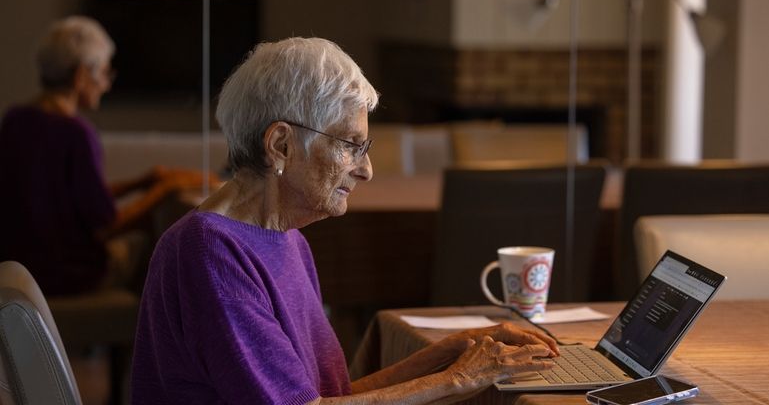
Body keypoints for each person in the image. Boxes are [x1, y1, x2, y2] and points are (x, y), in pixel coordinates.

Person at [131, 37, 559, 404]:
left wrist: (452, 352)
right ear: (280, 145)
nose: (366, 169)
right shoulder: (210, 252)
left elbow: (329, 396)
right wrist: (459, 378)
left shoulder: (286, 237)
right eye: (350, 144)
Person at [0, 16, 209, 296]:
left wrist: (141, 182)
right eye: (105, 73)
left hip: (20, 269)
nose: (106, 85)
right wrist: (164, 190)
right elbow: (105, 227)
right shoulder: (76, 133)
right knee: (154, 238)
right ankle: (135, 333)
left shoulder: (15, 119)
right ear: (81, 75)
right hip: (67, 277)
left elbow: (69, 198)